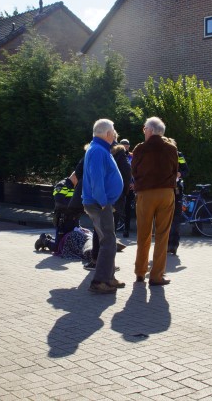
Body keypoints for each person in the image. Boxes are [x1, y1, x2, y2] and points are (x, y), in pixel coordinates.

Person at [131, 117, 178, 286]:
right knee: (162, 235)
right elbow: (175, 170)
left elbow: (134, 170)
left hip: (145, 194)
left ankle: (140, 272)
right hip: (166, 193)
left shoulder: (140, 149)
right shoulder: (171, 148)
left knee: (143, 234)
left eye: (145, 129)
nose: (144, 131)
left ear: (150, 130)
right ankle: (157, 275)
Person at [82, 119, 125, 294]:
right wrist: (104, 203)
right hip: (99, 204)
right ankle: (99, 281)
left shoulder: (98, 149)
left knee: (108, 240)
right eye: (113, 131)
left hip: (99, 203)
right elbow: (96, 180)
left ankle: (109, 278)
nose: (114, 134)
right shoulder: (98, 151)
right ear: (107, 134)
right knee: (108, 242)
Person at [167, 144, 189, 256]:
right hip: (165, 190)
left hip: (177, 190)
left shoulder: (179, 155)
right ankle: (166, 245)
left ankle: (174, 245)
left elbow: (185, 169)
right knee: (165, 218)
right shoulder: (162, 154)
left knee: (176, 218)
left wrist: (180, 173)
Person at [120, 138, 135, 238]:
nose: (125, 147)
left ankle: (126, 229)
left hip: (130, 186)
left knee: (128, 207)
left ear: (129, 146)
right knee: (116, 207)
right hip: (119, 185)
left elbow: (137, 171)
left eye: (127, 145)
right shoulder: (115, 155)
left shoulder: (133, 157)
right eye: (123, 145)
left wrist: (135, 184)